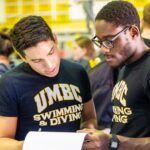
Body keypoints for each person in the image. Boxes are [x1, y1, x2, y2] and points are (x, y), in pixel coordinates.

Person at [0, 15, 97, 150]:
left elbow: (89, 118)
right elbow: (2, 141)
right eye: (37, 60)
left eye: (51, 52)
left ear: (55, 39)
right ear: (23, 57)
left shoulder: (78, 72)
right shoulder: (10, 83)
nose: (50, 65)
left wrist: (89, 130)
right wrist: (28, 145)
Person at [80, 1, 150, 149]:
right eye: (100, 42)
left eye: (109, 41)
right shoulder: (124, 65)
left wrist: (113, 142)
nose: (104, 50)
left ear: (133, 32)